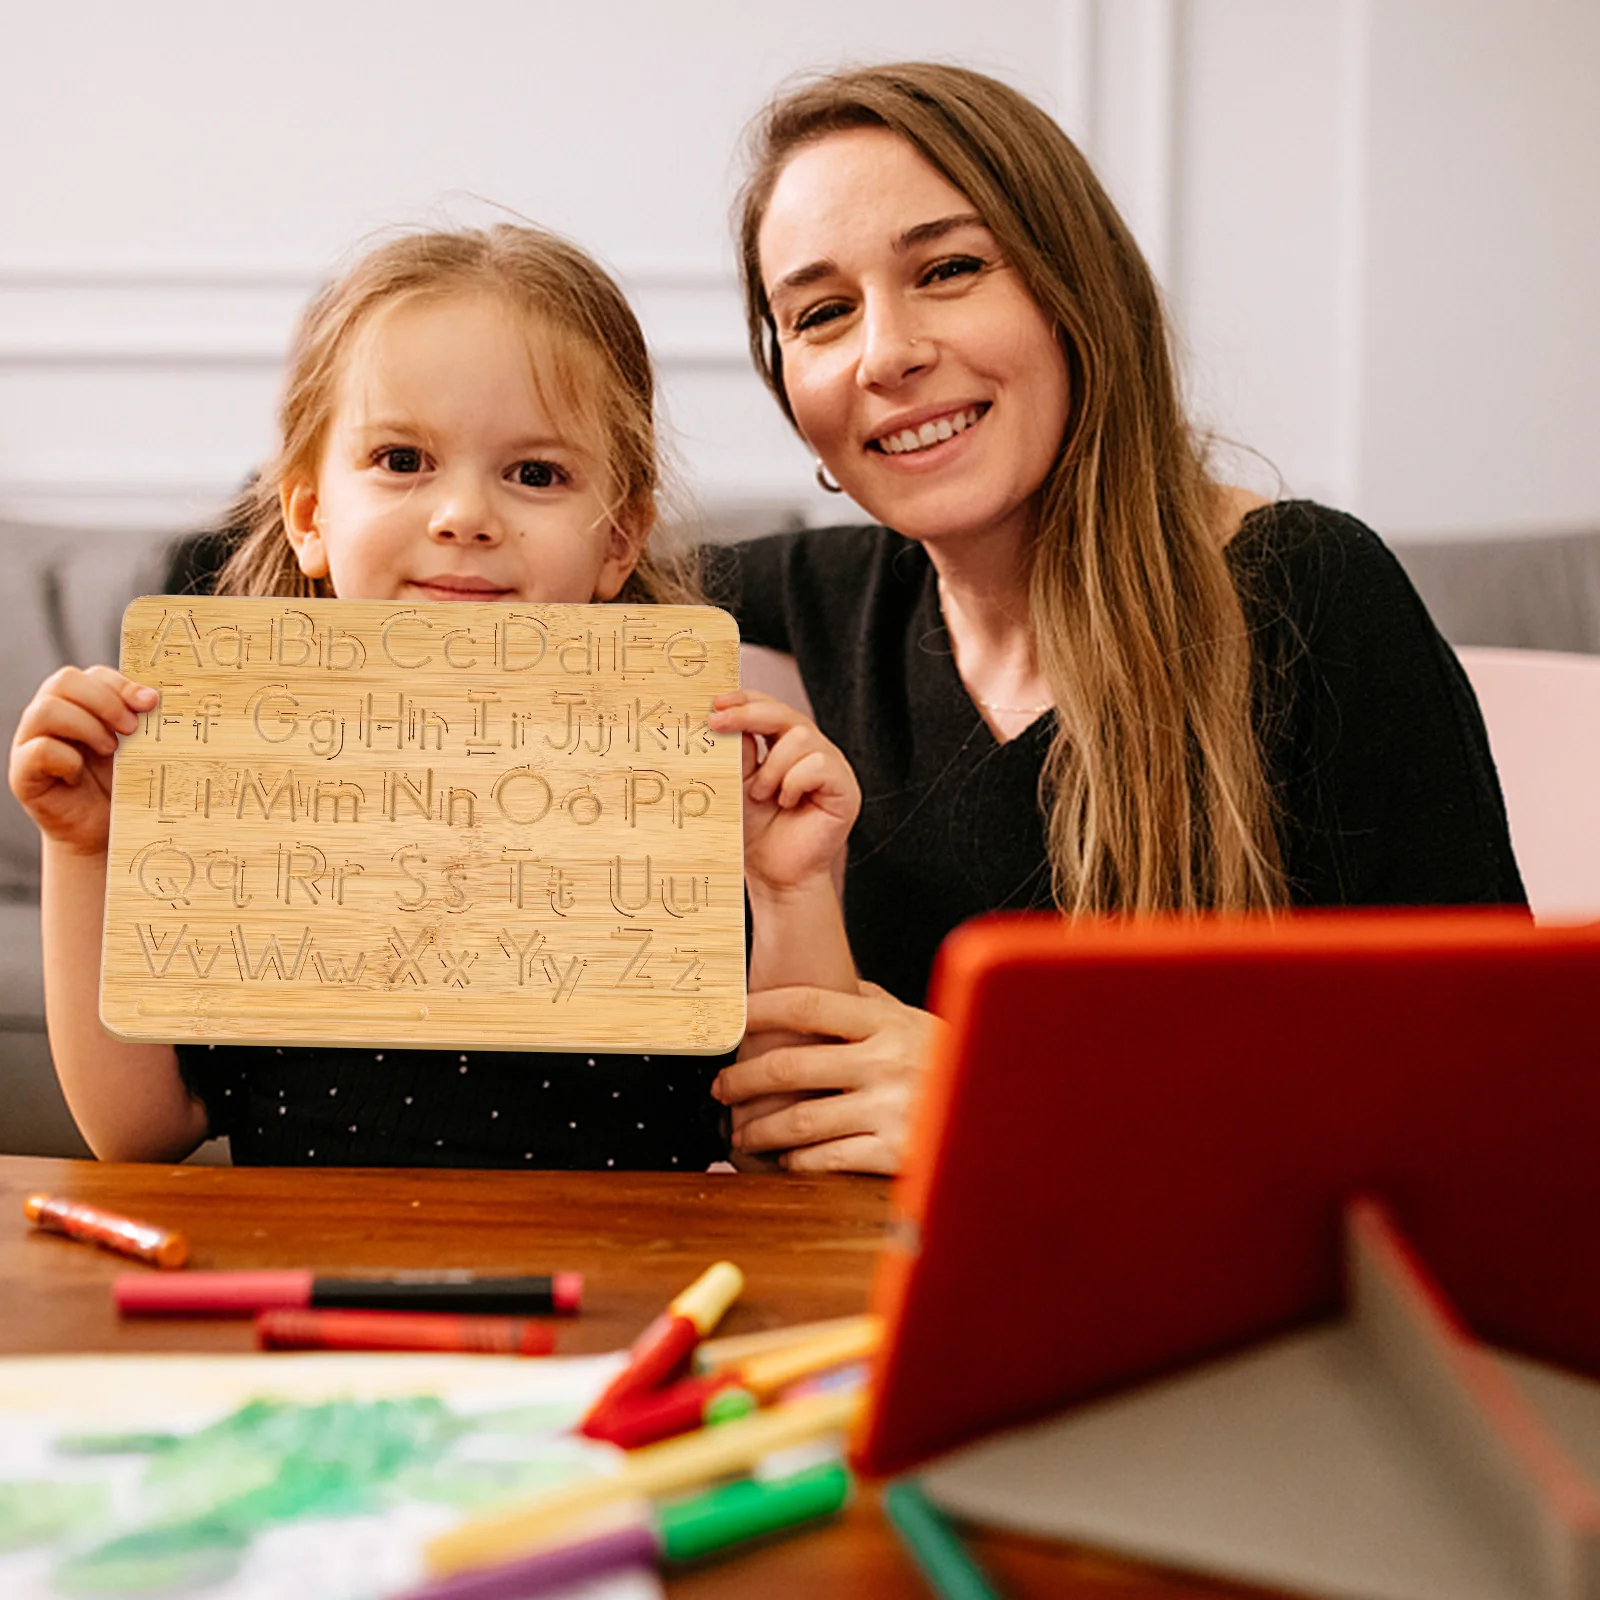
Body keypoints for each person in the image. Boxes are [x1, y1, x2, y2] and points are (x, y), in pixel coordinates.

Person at [702, 63, 1526, 1177]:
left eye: (949, 269)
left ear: (1074, 292)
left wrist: (1014, 1099)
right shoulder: (821, 597)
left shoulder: (1311, 592)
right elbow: (543, 568)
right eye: (821, 314)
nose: (885, 354)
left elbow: (1487, 1101)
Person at [8, 224, 858, 1168]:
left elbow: (791, 1139)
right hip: (307, 1258)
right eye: (402, 460)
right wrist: (86, 849)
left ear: (618, 541)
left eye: (535, 474)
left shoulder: (689, 787)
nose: (463, 518)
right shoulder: (237, 789)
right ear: (310, 518)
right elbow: (139, 1133)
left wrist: (791, 889)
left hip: (624, 1253)